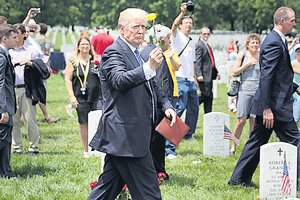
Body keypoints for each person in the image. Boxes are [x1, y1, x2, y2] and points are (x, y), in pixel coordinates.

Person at [88, 8, 176, 200]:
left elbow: (153, 86)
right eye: (135, 26)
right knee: (150, 193)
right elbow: (120, 80)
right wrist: (149, 67)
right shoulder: (113, 52)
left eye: (143, 27)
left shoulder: (138, 54)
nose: (141, 31)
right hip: (126, 135)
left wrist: (166, 105)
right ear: (121, 29)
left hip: (132, 135)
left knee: (106, 189)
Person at [228, 7, 300, 187]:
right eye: (292, 20)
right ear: (282, 21)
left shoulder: (278, 40)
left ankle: (238, 179)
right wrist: (267, 108)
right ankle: (294, 179)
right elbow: (266, 76)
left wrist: (296, 87)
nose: (295, 23)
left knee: (256, 142)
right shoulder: (274, 42)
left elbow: (279, 75)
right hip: (274, 107)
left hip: (271, 104)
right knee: (295, 142)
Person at [141, 24, 181, 180]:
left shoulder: (148, 52)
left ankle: (158, 170)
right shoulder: (156, 54)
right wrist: (167, 105)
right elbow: (161, 82)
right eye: (168, 38)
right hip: (157, 106)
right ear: (160, 39)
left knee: (157, 141)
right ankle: (156, 171)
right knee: (156, 141)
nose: (170, 41)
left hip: (156, 105)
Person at [165, 2, 199, 159]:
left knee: (194, 108)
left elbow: (191, 62)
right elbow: (173, 25)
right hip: (179, 79)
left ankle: (188, 134)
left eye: (191, 23)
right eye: (186, 23)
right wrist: (182, 13)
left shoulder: (191, 41)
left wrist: (194, 78)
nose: (189, 25)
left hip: (190, 79)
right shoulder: (176, 36)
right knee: (178, 111)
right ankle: (168, 146)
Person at [10, 24, 48, 156]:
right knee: (14, 120)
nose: (14, 38)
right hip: (12, 89)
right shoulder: (9, 51)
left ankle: (33, 147)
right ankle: (17, 147)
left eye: (16, 34)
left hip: (27, 89)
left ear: (23, 35)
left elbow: (43, 69)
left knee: (30, 119)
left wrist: (30, 63)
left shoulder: (32, 50)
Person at [65, 36, 102, 158]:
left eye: (87, 44)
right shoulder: (72, 62)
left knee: (98, 122)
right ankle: (86, 150)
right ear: (78, 47)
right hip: (80, 97)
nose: (85, 47)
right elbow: (68, 79)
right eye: (82, 45)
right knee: (84, 123)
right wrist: (71, 96)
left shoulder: (95, 60)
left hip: (97, 96)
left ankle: (96, 149)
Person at [229, 33, 261, 154]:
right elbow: (234, 72)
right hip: (244, 91)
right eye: (252, 42)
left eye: (257, 42)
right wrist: (247, 64)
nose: (255, 44)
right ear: (248, 44)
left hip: (258, 92)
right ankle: (234, 145)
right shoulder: (242, 55)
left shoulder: (261, 56)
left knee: (253, 120)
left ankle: (250, 148)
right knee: (241, 120)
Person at [0, 24, 18, 177]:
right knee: (4, 141)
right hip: (3, 107)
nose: (17, 40)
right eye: (14, 37)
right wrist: (3, 109)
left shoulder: (5, 54)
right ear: (4, 38)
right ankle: (6, 172)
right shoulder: (1, 56)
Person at [195, 27, 221, 114]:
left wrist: (216, 72)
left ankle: (208, 115)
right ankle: (192, 104)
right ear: (200, 34)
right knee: (205, 95)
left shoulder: (206, 45)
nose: (206, 35)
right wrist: (198, 74)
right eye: (204, 34)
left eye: (208, 34)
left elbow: (211, 61)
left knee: (209, 96)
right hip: (204, 75)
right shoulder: (199, 45)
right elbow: (198, 61)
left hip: (209, 75)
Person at [292, 43, 300, 125]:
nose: (299, 52)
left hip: (299, 95)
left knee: (296, 117)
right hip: (291, 93)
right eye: (297, 51)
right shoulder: (292, 63)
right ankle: (277, 134)